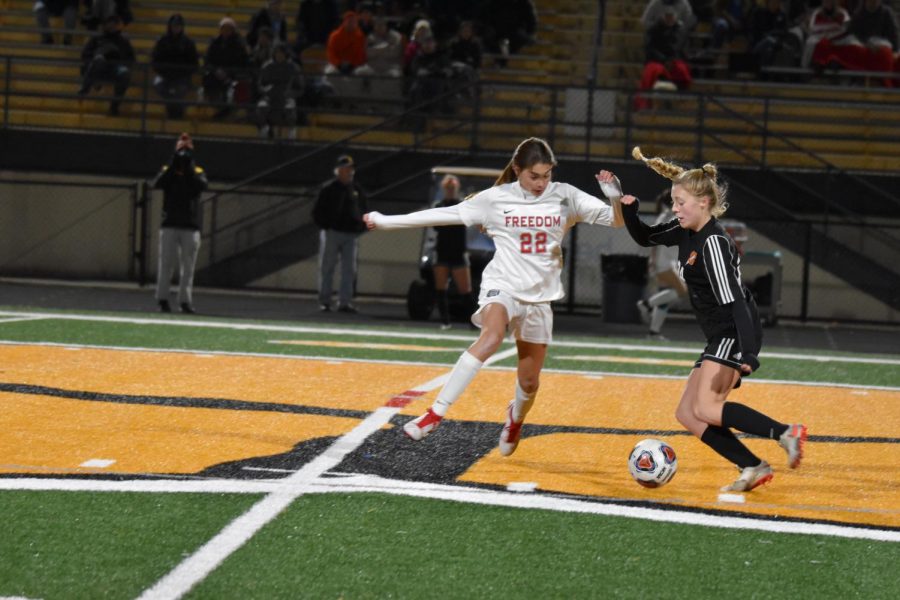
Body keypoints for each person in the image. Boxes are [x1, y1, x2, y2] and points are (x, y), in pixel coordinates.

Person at [363, 137, 625, 455]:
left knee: (529, 383)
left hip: (540, 299)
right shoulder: (494, 199)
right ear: (517, 170)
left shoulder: (566, 196)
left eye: (547, 175)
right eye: (534, 176)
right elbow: (442, 215)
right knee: (490, 338)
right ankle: (434, 414)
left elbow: (616, 220)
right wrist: (386, 221)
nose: (542, 183)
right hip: (503, 286)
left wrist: (615, 196)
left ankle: (515, 418)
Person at [603, 146, 806, 492]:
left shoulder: (713, 242)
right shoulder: (686, 232)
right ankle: (752, 466)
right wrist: (629, 209)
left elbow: (737, 302)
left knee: (708, 408)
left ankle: (784, 432)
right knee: (687, 414)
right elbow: (645, 236)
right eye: (673, 201)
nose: (675, 208)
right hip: (719, 332)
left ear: (704, 204)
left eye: (681, 202)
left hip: (733, 329)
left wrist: (748, 354)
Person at [152, 133, 208, 314]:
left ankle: (185, 301)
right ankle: (162, 299)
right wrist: (174, 163)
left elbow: (201, 185)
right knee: (165, 264)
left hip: (190, 225)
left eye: (187, 147)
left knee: (188, 267)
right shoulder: (168, 168)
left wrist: (188, 166)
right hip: (169, 223)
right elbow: (158, 183)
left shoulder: (197, 170)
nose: (183, 151)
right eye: (181, 147)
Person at [312, 154, 368, 313]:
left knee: (349, 269)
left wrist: (359, 226)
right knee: (327, 267)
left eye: (350, 169)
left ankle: (345, 302)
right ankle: (325, 301)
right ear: (338, 170)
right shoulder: (329, 189)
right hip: (333, 232)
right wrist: (326, 226)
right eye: (345, 168)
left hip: (350, 234)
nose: (348, 172)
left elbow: (363, 209)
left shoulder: (356, 189)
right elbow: (317, 211)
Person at [636, 190, 689, 340]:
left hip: (668, 260)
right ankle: (646, 304)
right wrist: (653, 260)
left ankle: (654, 332)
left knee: (666, 298)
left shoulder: (668, 215)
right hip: (665, 261)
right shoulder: (669, 216)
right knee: (682, 291)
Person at [431, 174, 473, 330]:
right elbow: (435, 226)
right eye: (447, 188)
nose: (449, 190)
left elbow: (466, 222)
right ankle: (445, 321)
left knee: (465, 290)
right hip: (442, 250)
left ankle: (472, 322)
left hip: (458, 251)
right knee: (441, 288)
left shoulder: (462, 205)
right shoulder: (439, 205)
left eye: (452, 188)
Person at [634, 7, 693, 111]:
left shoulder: (678, 30)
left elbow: (679, 48)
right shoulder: (653, 29)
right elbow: (650, 48)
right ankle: (650, 104)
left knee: (682, 69)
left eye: (671, 16)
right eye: (667, 16)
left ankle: (681, 99)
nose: (669, 19)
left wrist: (672, 60)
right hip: (656, 60)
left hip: (672, 60)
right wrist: (663, 60)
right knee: (655, 71)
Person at [77, 14, 135, 116]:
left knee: (125, 73)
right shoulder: (96, 39)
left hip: (115, 68)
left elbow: (131, 60)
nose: (112, 26)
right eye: (110, 23)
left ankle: (114, 105)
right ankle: (85, 88)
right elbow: (85, 55)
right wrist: (99, 55)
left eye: (115, 24)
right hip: (98, 66)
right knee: (99, 60)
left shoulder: (123, 41)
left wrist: (118, 58)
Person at [151, 13, 199, 120]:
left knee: (179, 90)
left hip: (182, 77)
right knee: (158, 84)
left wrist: (182, 73)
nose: (176, 28)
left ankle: (174, 114)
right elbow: (154, 60)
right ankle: (176, 110)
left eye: (178, 25)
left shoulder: (188, 43)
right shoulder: (162, 41)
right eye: (174, 25)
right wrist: (164, 72)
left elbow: (194, 63)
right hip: (164, 75)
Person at [202, 17, 251, 119]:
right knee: (208, 83)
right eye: (224, 28)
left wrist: (228, 73)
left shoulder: (239, 44)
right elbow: (207, 60)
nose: (226, 31)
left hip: (232, 76)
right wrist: (216, 70)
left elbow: (243, 62)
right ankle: (220, 110)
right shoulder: (214, 42)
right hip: (215, 75)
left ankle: (223, 113)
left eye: (229, 28)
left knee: (235, 90)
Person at [255, 42, 304, 138]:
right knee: (261, 106)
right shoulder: (267, 66)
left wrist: (291, 93)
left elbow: (300, 87)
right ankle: (264, 129)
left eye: (281, 53)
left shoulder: (293, 67)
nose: (279, 55)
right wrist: (266, 90)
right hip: (269, 96)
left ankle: (291, 131)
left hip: (287, 96)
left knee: (290, 108)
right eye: (277, 53)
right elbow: (260, 85)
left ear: (286, 54)